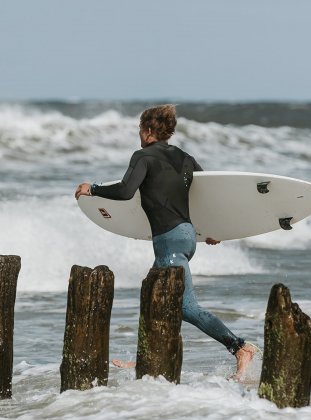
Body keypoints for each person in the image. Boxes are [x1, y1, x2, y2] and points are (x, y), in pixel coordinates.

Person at [75, 104, 256, 381]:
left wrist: (93, 189)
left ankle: (240, 347)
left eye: (139, 129)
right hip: (185, 235)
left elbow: (125, 191)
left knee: (185, 307)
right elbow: (208, 192)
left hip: (170, 241)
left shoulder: (143, 156)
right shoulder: (185, 158)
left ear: (148, 131)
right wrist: (212, 229)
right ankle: (148, 358)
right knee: (156, 299)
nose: (138, 135)